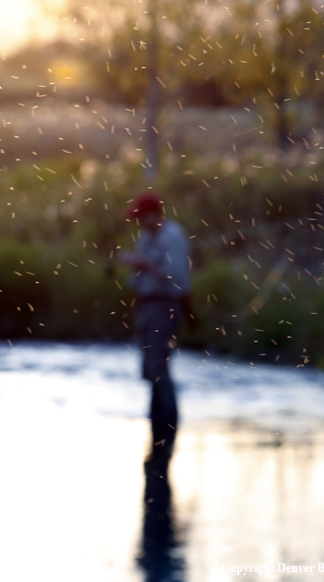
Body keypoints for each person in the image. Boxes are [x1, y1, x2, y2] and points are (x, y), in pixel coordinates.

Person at [117, 192, 192, 477]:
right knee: (149, 369)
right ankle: (157, 423)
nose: (138, 223)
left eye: (140, 217)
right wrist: (139, 266)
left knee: (159, 367)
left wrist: (142, 264)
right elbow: (136, 280)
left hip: (167, 306)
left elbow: (174, 275)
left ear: (153, 214)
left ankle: (168, 426)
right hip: (147, 307)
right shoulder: (146, 239)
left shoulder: (174, 236)